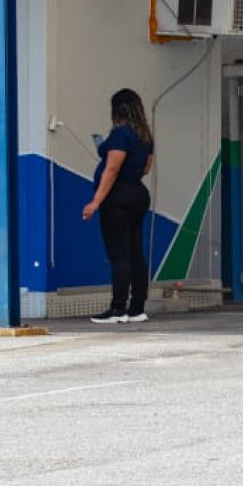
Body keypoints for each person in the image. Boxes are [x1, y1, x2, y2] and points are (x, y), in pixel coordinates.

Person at [83, 88, 155, 324]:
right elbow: (146, 168)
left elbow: (112, 169)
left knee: (119, 254)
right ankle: (137, 308)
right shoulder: (145, 136)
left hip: (118, 196)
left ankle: (117, 309)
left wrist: (96, 201)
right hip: (138, 194)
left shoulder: (120, 134)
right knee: (136, 253)